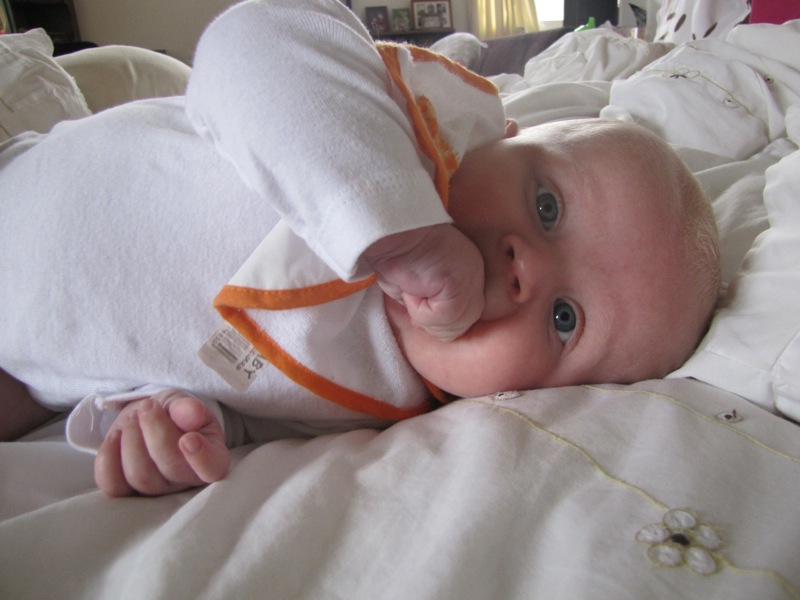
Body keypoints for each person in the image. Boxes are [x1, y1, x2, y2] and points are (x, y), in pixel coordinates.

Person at [0, 0, 720, 496]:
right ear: (503, 138)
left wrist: (181, 423)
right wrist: (401, 225)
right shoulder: (404, 125)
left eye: (565, 320)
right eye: (547, 207)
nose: (524, 266)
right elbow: (247, 41)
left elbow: (259, 396)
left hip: (29, 370)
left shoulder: (388, 404)